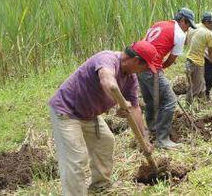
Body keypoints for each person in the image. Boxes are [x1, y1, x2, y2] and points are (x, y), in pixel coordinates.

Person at [48, 41, 158, 196]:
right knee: (76, 160)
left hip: (90, 114)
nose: (146, 70)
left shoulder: (130, 78)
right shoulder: (107, 58)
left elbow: (135, 108)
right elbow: (107, 80)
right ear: (136, 60)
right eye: (146, 66)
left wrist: (144, 137)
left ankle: (100, 186)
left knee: (105, 142)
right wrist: (120, 101)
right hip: (67, 112)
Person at [138, 7, 196, 149]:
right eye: (188, 25)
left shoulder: (159, 24)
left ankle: (152, 128)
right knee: (170, 101)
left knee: (150, 100)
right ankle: (162, 139)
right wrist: (160, 68)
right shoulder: (179, 34)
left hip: (138, 65)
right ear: (182, 20)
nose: (188, 29)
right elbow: (171, 60)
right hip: (152, 68)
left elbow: (145, 41)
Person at [185, 12, 212, 103]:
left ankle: (201, 104)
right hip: (197, 62)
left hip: (188, 60)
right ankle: (192, 107)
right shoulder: (208, 33)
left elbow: (186, 41)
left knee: (192, 85)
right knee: (198, 87)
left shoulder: (192, 27)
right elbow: (211, 50)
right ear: (207, 22)